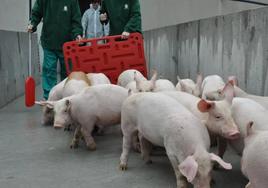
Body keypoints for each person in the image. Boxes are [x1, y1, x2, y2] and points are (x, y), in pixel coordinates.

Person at [27, 0, 83, 100]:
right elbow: (36, 12)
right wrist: (32, 23)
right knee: (49, 70)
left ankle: (66, 97)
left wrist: (77, 34)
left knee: (67, 73)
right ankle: (49, 97)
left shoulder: (72, 1)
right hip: (49, 42)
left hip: (67, 44)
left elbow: (76, 20)